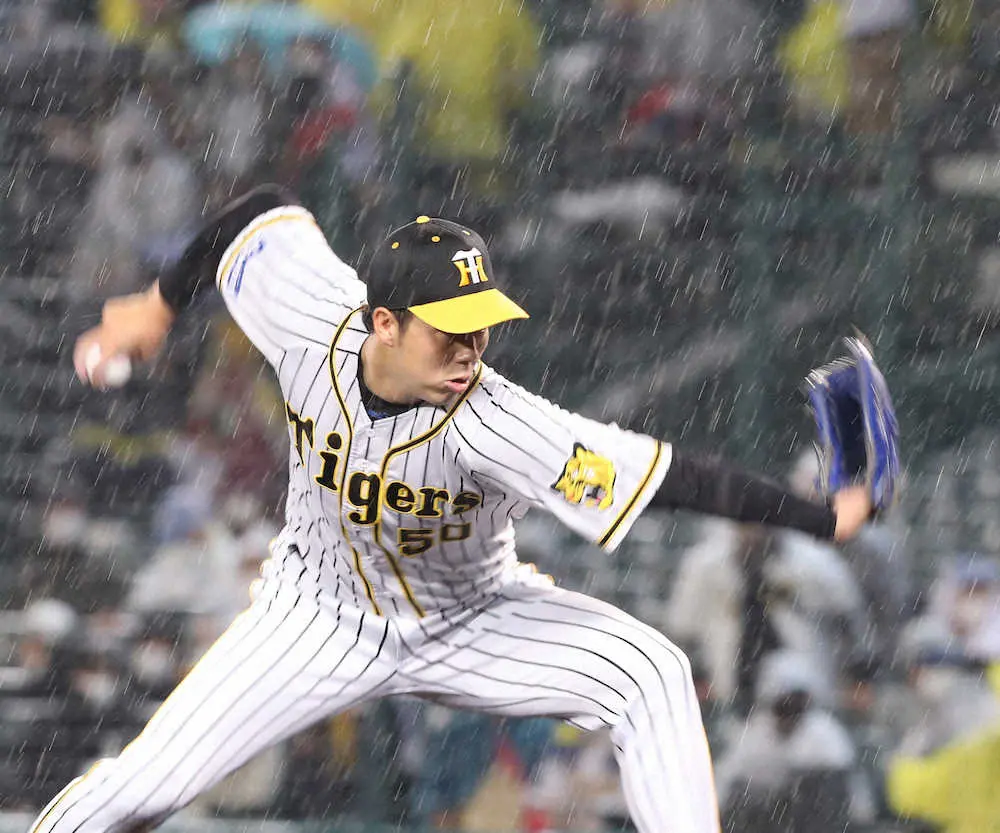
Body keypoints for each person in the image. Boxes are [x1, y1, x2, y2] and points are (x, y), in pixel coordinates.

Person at [39, 185, 876, 833]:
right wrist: (159, 304)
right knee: (141, 787)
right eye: (449, 333)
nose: (471, 352)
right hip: (314, 615)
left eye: (481, 330)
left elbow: (670, 477)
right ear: (383, 324)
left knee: (647, 673)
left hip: (475, 618)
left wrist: (821, 516)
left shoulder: (500, 421)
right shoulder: (305, 315)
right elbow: (261, 213)